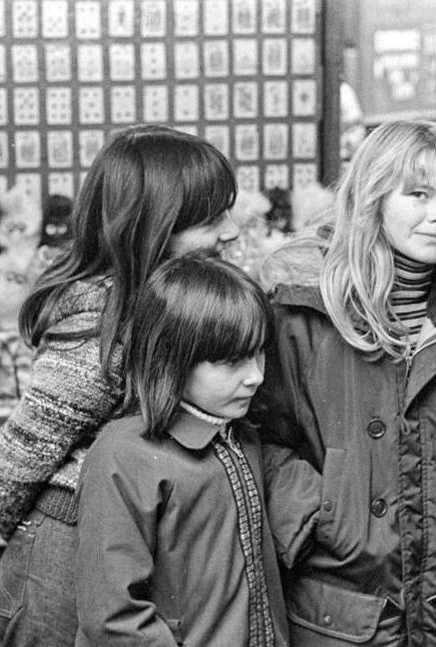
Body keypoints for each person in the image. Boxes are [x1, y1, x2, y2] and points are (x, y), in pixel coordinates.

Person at [251, 120, 436, 645]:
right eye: (418, 194)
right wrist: (321, 519)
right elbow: (256, 434)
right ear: (372, 197)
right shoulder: (301, 312)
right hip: (338, 609)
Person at [0, 124, 240, 646]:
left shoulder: (171, 306)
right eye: (210, 219)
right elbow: (0, 481)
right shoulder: (102, 320)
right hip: (63, 571)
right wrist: (67, 524)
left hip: (128, 554)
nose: (229, 232)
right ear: (154, 226)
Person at [73, 254, 293, 646]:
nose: (256, 376)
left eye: (259, 353)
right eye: (232, 362)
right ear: (172, 360)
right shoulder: (123, 455)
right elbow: (113, 616)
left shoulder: (240, 436)